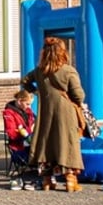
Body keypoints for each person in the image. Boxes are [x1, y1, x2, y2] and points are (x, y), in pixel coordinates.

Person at [21, 36, 86, 192]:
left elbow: (25, 81)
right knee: (67, 141)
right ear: (62, 52)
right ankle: (70, 180)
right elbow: (79, 96)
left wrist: (38, 92)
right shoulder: (68, 70)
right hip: (66, 111)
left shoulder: (39, 71)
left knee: (46, 142)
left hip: (45, 111)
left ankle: (47, 180)